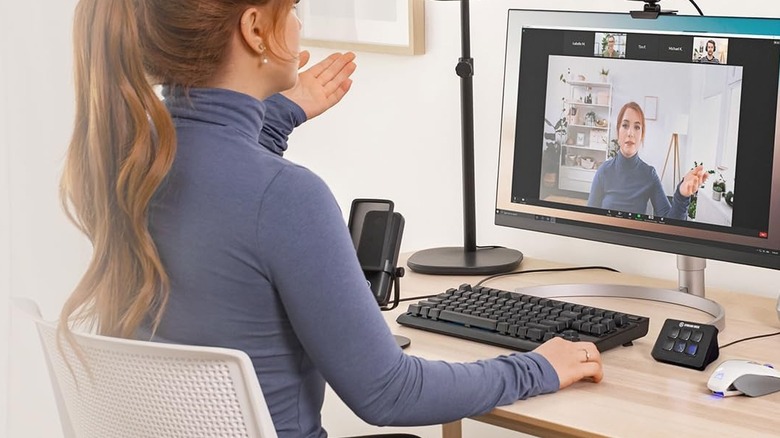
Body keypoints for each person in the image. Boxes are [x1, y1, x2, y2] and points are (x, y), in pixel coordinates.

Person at [58, 1, 604, 437]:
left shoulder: (124, 162)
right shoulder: (286, 197)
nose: (299, 24)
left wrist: (276, 114)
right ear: (255, 29)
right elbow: (390, 393)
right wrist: (539, 367)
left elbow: (219, 177)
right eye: (293, 8)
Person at [588, 102, 708, 219]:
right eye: (625, 125)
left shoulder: (649, 174)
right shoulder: (604, 171)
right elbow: (590, 217)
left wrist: (682, 195)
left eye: (637, 127)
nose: (630, 133)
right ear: (618, 131)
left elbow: (669, 221)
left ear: (642, 135)